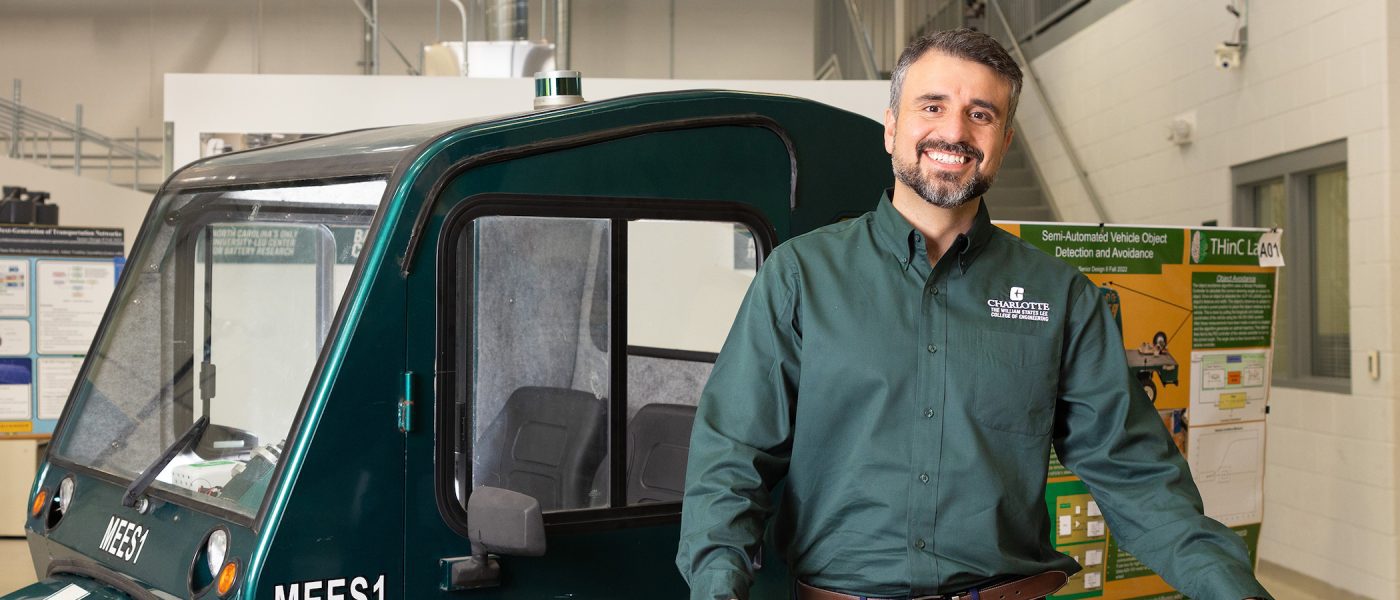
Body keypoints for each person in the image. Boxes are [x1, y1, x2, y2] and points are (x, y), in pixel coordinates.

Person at [676, 28, 1272, 600]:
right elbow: (732, 458)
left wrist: (1233, 590)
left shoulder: (1062, 297)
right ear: (891, 128)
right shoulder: (800, 276)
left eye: (980, 114)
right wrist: (718, 588)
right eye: (931, 107)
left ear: (1004, 142)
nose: (954, 131)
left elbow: (1136, 472)